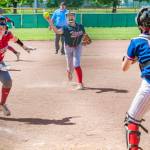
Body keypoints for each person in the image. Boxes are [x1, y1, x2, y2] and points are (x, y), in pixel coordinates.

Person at [122, 7, 150, 150]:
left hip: (149, 86)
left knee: (131, 120)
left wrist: (133, 58)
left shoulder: (136, 41)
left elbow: (124, 68)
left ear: (140, 24)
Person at [0, 22, 34, 116]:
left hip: (0, 63)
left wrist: (24, 47)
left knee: (7, 82)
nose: (2, 29)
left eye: (3, 27)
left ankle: (2, 104)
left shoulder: (8, 35)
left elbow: (16, 39)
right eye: (0, 27)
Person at [49, 12, 87, 90]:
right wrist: (50, 21)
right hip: (68, 47)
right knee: (70, 67)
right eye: (68, 16)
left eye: (72, 16)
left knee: (76, 64)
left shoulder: (80, 26)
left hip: (77, 47)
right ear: (66, 19)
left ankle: (80, 84)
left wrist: (85, 41)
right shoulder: (65, 28)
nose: (70, 18)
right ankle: (69, 71)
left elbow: (84, 35)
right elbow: (57, 31)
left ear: (75, 17)